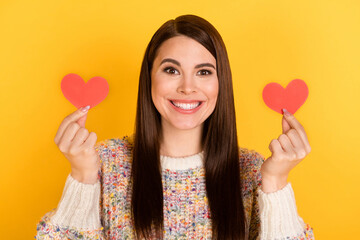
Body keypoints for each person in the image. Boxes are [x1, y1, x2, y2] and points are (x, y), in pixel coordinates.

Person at [35, 14, 314, 240]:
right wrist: (83, 176)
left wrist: (276, 183)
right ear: (150, 79)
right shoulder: (106, 163)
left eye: (204, 72)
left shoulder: (251, 171)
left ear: (221, 84)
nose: (187, 87)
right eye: (171, 70)